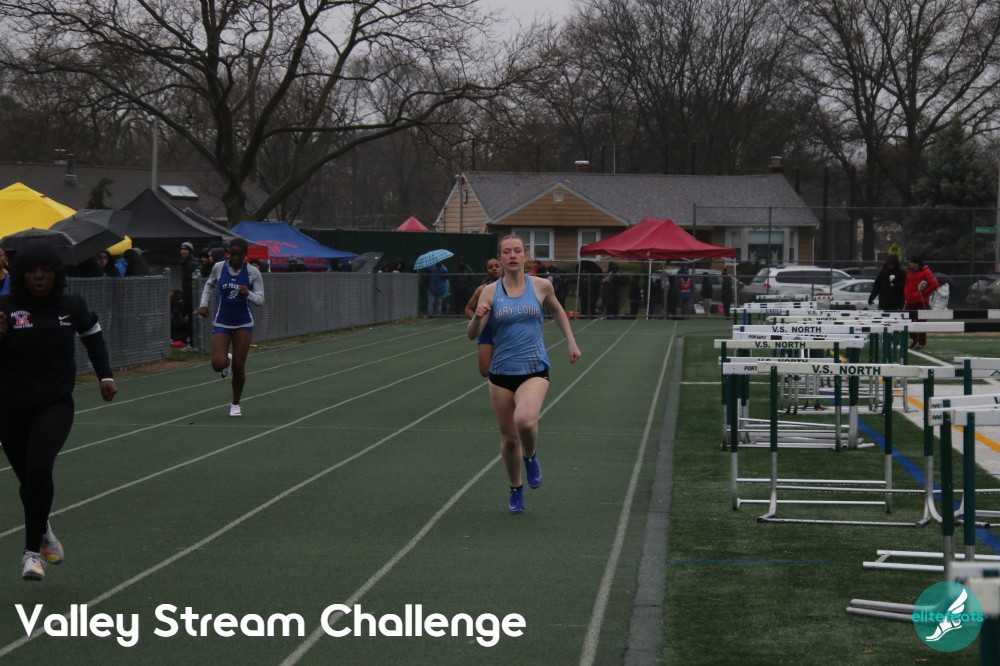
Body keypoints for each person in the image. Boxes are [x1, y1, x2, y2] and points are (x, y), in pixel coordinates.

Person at [0, 239, 118, 581]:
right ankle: (44, 528)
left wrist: (105, 375)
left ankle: (31, 554)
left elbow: (93, 335)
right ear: (20, 274)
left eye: (46, 271)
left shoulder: (71, 306)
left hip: (55, 402)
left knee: (39, 468)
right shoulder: (5, 307)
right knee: (28, 482)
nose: (39, 276)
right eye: (32, 271)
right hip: (10, 405)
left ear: (56, 275)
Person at [467, 236, 581, 514]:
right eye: (507, 251)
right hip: (501, 374)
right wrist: (478, 316)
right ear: (500, 258)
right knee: (509, 439)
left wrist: (571, 341)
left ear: (525, 256)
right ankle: (516, 488)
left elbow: (557, 310)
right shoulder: (489, 291)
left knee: (525, 420)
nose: (512, 255)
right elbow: (472, 334)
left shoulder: (541, 285)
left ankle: (530, 457)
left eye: (517, 250)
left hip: (534, 369)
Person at [198, 238, 265, 417]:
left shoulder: (253, 272)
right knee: (217, 364)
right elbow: (209, 285)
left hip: (243, 322)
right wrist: (204, 304)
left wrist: (248, 293)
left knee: (238, 366)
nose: (234, 258)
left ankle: (235, 403)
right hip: (222, 320)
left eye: (238, 255)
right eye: (232, 254)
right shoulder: (219, 267)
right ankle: (226, 360)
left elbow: (260, 300)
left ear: (245, 256)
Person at [464, 257, 503, 377]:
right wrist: (477, 320)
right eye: (490, 267)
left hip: (504, 331)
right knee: (485, 371)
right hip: (486, 332)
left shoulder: (510, 287)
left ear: (502, 268)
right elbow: (468, 309)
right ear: (486, 271)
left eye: (497, 266)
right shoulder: (482, 289)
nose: (494, 269)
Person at [904, 256, 938, 350]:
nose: (910, 264)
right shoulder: (908, 272)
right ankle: (914, 338)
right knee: (906, 321)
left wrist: (924, 293)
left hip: (921, 301)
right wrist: (906, 293)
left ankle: (922, 343)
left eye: (912, 262)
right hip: (910, 301)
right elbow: (906, 284)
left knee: (921, 322)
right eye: (910, 262)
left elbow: (934, 283)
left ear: (917, 263)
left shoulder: (926, 271)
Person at [179, 242, 200, 347]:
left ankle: (193, 343)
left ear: (190, 251)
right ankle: (191, 342)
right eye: (182, 249)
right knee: (190, 320)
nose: (183, 251)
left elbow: (191, 283)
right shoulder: (185, 263)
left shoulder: (192, 264)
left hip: (192, 297)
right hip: (188, 296)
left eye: (185, 249)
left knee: (193, 320)